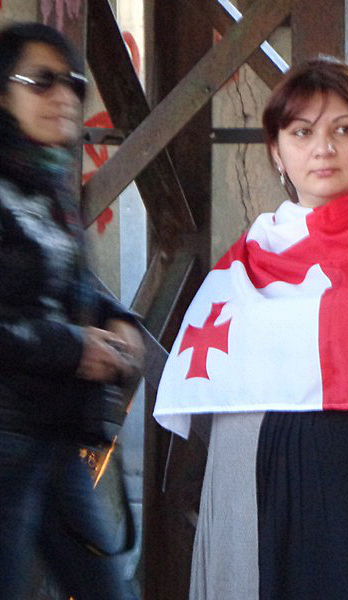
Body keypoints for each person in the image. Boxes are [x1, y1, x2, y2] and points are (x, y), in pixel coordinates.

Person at [154, 56, 348, 600]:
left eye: (344, 129)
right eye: (302, 132)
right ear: (277, 151)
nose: (323, 148)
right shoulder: (250, 252)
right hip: (255, 483)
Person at [0, 22, 144, 600]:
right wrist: (73, 348)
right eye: (42, 81)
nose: (63, 96)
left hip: (52, 439)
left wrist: (116, 320)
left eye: (74, 84)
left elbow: (67, 282)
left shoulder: (47, 180)